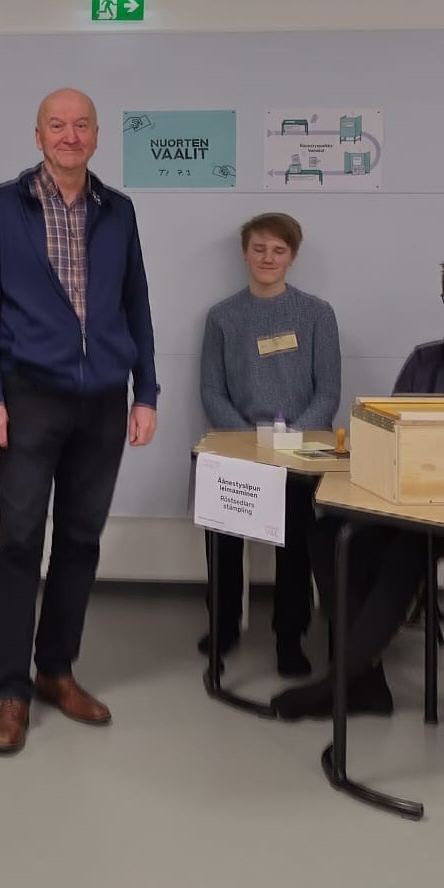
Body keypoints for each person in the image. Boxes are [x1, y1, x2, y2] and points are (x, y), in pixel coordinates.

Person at [0, 88, 158, 756]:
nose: (70, 136)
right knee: (19, 541)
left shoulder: (118, 211)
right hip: (28, 396)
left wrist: (145, 392)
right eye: (57, 125)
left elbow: (136, 304)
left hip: (103, 400)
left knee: (80, 539)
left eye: (81, 126)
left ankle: (55, 671)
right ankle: (10, 693)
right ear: (38, 134)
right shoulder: (2, 207)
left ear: (97, 136)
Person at [271, 252, 444, 720]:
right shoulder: (425, 359)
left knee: (407, 548)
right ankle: (367, 682)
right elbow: (390, 427)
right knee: (327, 533)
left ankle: (338, 683)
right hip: (404, 496)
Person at [198, 212, 339, 676]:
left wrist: (287, 444)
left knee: (296, 539)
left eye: (278, 250)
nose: (267, 258)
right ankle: (223, 626)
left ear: (292, 257)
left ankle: (289, 636)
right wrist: (248, 444)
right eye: (259, 248)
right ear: (245, 252)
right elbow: (212, 391)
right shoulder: (222, 317)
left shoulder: (317, 314)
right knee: (221, 534)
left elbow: (328, 393)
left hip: (298, 451)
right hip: (237, 446)